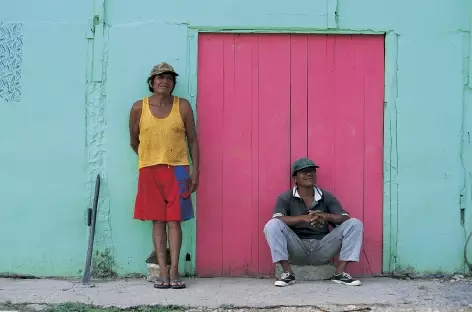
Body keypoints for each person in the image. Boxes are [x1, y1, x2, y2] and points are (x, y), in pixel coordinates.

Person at [129, 62, 199, 289]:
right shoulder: (139, 108)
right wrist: (150, 157)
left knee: (175, 221)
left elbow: (193, 141)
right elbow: (134, 141)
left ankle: (175, 270)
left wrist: (195, 171)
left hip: (178, 169)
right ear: (151, 83)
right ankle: (162, 271)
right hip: (149, 169)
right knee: (157, 220)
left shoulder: (183, 106)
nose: (164, 81)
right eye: (159, 78)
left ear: (173, 83)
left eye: (168, 78)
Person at [263, 158, 363, 287]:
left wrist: (326, 216)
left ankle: (340, 273)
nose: (309, 174)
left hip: (323, 248)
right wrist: (303, 218)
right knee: (272, 225)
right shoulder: (285, 198)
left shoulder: (326, 196)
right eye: (304, 172)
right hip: (297, 249)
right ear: (295, 178)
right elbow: (278, 219)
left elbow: (344, 218)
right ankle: (287, 273)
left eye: (312, 171)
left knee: (355, 223)